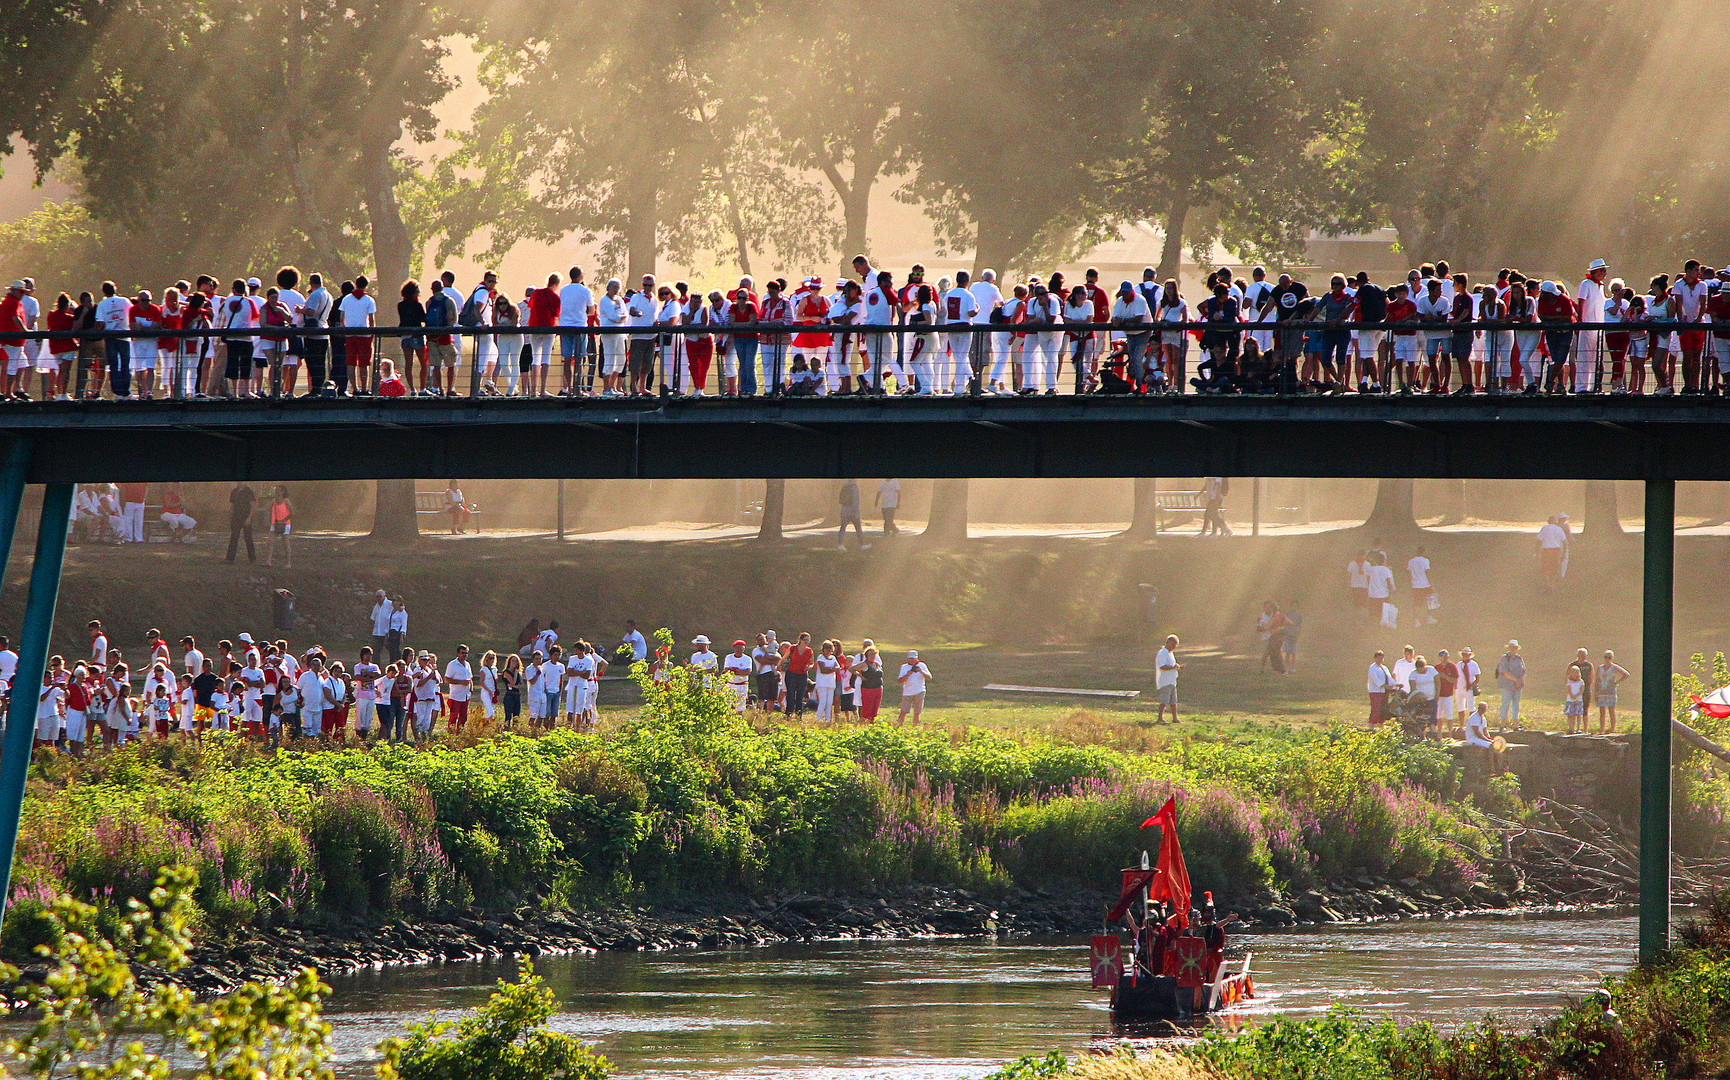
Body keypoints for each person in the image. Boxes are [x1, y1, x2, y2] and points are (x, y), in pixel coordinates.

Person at [1595, 650, 1629, 733]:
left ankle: (1612, 728)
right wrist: (1596, 691)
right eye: (1606, 657)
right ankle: (1602, 728)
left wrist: (1617, 682)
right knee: (1602, 711)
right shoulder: (1600, 668)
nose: (1607, 659)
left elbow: (1626, 674)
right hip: (1602, 691)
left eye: (1609, 657)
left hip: (1611, 691)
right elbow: (1597, 680)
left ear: (1612, 658)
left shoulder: (1614, 667)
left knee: (1611, 710)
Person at [783, 632, 814, 718]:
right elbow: (784, 658)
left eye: (808, 640)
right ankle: (788, 713)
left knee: (800, 695)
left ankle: (798, 715)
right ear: (800, 640)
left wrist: (809, 667)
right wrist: (778, 667)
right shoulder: (793, 648)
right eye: (805, 640)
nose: (807, 642)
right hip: (791, 673)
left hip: (802, 674)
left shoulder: (809, 651)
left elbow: (811, 663)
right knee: (791, 694)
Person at [1496, 640, 1526, 727]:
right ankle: (1503, 725)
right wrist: (1516, 680)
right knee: (1505, 703)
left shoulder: (1519, 658)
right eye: (1512, 647)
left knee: (1516, 704)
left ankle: (1516, 725)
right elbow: (1504, 672)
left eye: (1515, 648)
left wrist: (1520, 681)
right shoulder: (1504, 658)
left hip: (1518, 686)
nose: (1513, 649)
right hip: (1507, 685)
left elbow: (1524, 671)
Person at [225, 483, 256, 565]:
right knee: (234, 537)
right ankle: (230, 559)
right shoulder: (234, 491)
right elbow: (232, 505)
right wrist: (230, 516)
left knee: (248, 538)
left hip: (245, 517)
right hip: (235, 517)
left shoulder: (249, 491)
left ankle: (252, 558)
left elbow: (253, 505)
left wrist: (249, 517)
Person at [444, 644, 473, 731]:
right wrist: (461, 682)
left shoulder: (467, 664)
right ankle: (451, 734)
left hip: (466, 695)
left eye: (466, 653)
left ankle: (459, 733)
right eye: (462, 653)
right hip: (456, 696)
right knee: (454, 716)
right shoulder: (452, 664)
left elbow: (470, 677)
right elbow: (447, 679)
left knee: (464, 717)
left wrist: (471, 689)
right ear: (458, 654)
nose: (464, 655)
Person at [897, 650, 931, 722]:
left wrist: (921, 671)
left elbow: (929, 677)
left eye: (913, 658)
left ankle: (915, 727)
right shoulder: (904, 667)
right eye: (910, 658)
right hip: (907, 692)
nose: (912, 660)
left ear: (916, 658)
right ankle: (898, 726)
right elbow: (900, 681)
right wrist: (908, 674)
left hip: (920, 691)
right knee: (903, 711)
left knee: (917, 712)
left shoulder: (922, 665)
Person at [1154, 635, 1182, 724]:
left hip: (1172, 680)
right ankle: (1160, 718)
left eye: (1175, 646)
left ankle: (1175, 718)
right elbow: (1162, 666)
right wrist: (1173, 667)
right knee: (1164, 700)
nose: (1174, 647)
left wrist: (1177, 667)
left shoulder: (1170, 653)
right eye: (1173, 645)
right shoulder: (1162, 653)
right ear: (1168, 643)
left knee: (1173, 701)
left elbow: (1171, 665)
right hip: (1165, 680)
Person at [263, 485, 292, 568]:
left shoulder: (286, 501)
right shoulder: (274, 500)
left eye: (278, 490)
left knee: (285, 542)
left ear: (282, 491)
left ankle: (288, 563)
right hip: (275, 524)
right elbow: (265, 508)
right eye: (276, 490)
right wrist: (255, 509)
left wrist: (283, 520)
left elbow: (292, 513)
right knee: (270, 542)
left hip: (285, 524)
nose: (276, 492)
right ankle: (268, 561)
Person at [837, 478, 870, 551]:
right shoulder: (855, 488)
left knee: (842, 528)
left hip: (844, 510)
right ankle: (862, 545)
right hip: (853, 511)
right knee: (858, 529)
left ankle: (840, 545)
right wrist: (857, 513)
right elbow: (856, 501)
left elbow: (840, 500)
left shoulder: (844, 487)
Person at [1536, 513, 1570, 583]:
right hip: (1556, 551)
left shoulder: (1544, 528)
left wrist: (1537, 552)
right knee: (1554, 568)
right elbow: (1565, 543)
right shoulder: (1559, 529)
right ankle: (1552, 584)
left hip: (1546, 551)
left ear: (1548, 521)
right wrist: (1564, 553)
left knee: (1545, 568)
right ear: (1555, 521)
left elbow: (1539, 540)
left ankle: (1547, 582)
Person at [1407, 546, 1436, 626]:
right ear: (1423, 552)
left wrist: (1411, 584)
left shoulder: (1411, 561)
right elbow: (1427, 573)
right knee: (1431, 601)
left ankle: (1416, 620)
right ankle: (1429, 617)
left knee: (1417, 603)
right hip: (1425, 585)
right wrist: (1432, 584)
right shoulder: (1426, 561)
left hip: (1416, 585)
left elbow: (1409, 574)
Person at [722, 640, 753, 712]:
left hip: (742, 685)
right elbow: (726, 670)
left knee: (741, 706)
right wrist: (739, 671)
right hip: (730, 684)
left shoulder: (747, 659)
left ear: (744, 648)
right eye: (737, 647)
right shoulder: (729, 657)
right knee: (727, 704)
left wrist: (735, 671)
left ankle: (739, 720)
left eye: (740, 647)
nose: (738, 649)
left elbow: (747, 672)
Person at [856, 647, 884, 721]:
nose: (872, 656)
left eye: (874, 654)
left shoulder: (877, 664)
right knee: (868, 708)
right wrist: (860, 675)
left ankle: (872, 723)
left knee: (875, 709)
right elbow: (851, 669)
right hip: (868, 689)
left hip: (878, 688)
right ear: (866, 655)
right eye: (870, 654)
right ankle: (865, 723)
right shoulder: (864, 664)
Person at [1366, 649, 1393, 727]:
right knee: (1376, 708)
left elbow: (1389, 678)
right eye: (1378, 658)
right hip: (1375, 691)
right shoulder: (1372, 668)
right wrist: (1384, 685)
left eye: (1381, 658)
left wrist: (1396, 684)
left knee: (1383, 709)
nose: (1380, 659)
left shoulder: (1384, 668)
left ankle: (1381, 725)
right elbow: (1375, 679)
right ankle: (1371, 725)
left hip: (1384, 691)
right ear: (1375, 658)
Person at [370, 591, 393, 657]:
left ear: (384, 596)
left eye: (380, 596)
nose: (378, 598)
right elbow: (373, 618)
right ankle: (377, 666)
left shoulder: (390, 604)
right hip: (377, 633)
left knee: (392, 650)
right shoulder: (376, 606)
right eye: (377, 596)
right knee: (375, 651)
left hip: (387, 632)